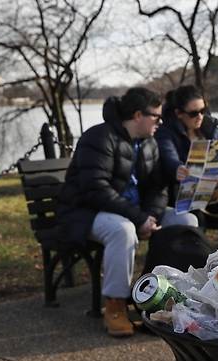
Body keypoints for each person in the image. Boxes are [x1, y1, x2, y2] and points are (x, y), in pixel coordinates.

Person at [56, 87, 198, 337]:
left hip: (135, 214)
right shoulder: (98, 138)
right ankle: (115, 306)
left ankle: (169, 296)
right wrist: (139, 218)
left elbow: (158, 187)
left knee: (186, 219)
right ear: (137, 115)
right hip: (86, 213)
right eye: (156, 116)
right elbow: (94, 189)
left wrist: (150, 216)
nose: (160, 122)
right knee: (123, 230)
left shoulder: (149, 143)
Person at [155, 85, 218, 247]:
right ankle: (201, 265)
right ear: (179, 114)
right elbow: (169, 158)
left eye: (203, 110)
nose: (200, 116)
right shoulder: (165, 132)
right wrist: (179, 169)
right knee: (198, 220)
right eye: (193, 113)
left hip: (210, 194)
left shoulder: (209, 128)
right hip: (180, 197)